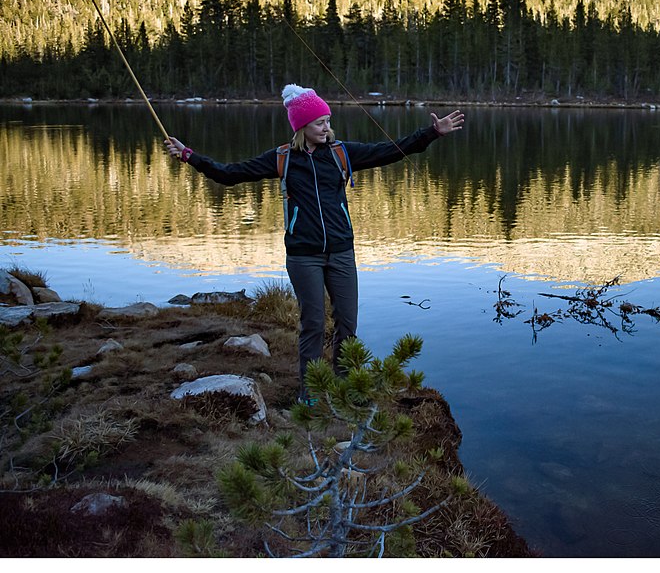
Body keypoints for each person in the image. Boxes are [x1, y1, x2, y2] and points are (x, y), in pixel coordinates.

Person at [164, 84, 464, 402]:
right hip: (303, 256)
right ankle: (311, 393)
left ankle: (348, 386)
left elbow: (390, 150)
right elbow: (229, 174)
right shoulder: (281, 158)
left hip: (341, 253)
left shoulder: (341, 153)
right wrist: (189, 156)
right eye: (320, 122)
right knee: (314, 324)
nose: (326, 127)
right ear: (302, 126)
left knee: (347, 322)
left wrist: (432, 133)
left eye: (327, 121)